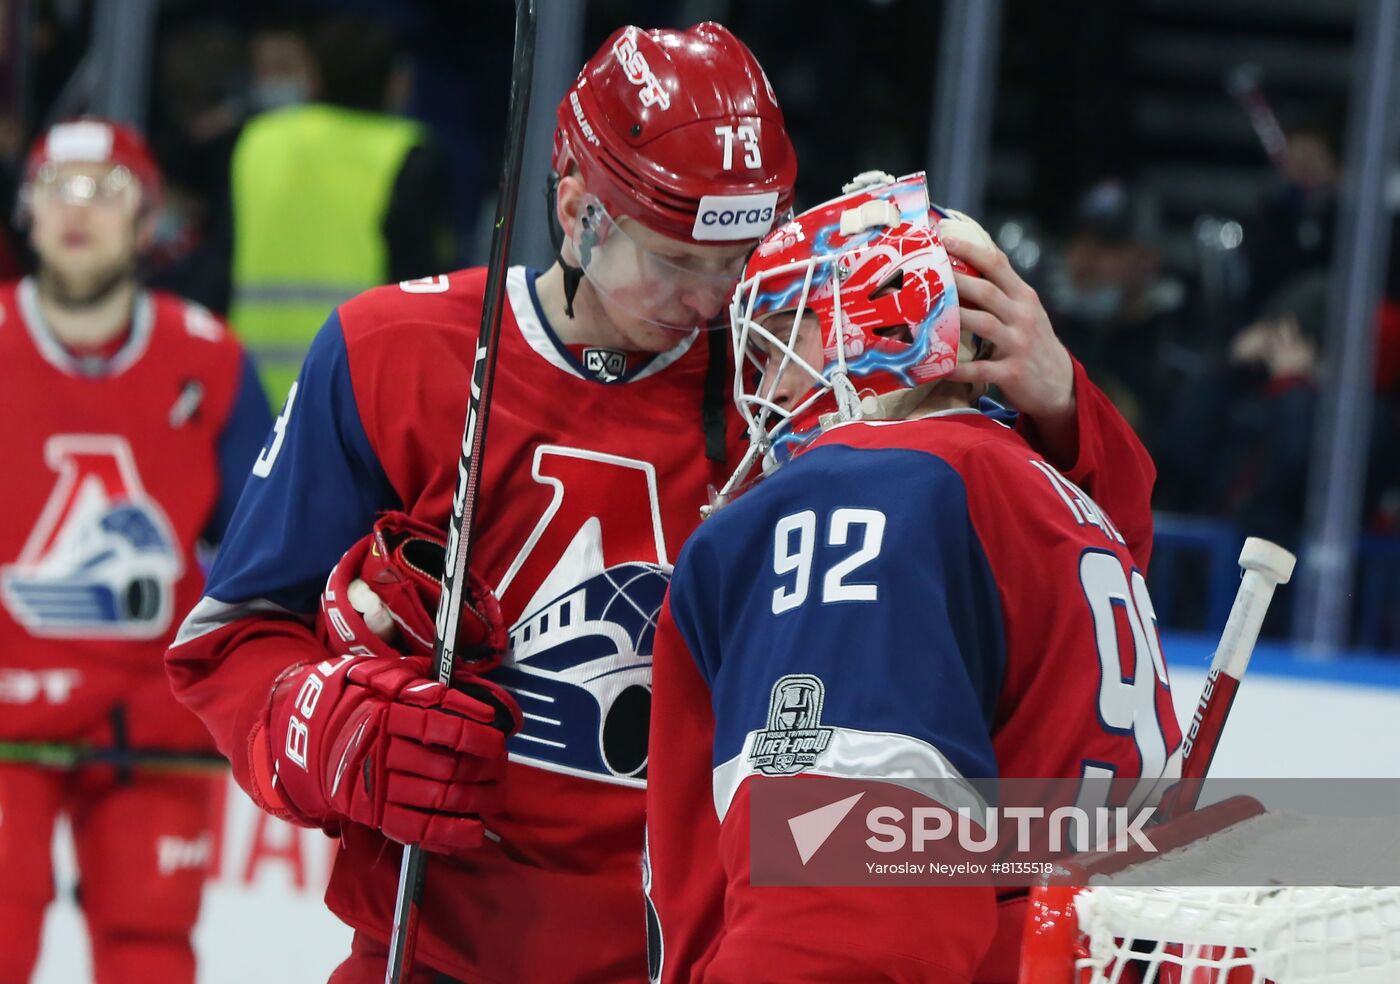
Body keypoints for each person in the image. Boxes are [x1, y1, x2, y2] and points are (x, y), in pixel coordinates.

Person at [166, 25, 1159, 984]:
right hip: (439, 954)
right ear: (573, 208)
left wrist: (1062, 399)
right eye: (676, 259)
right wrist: (325, 730)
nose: (714, 297)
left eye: (739, 259)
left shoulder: (800, 380)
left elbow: (1083, 571)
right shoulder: (394, 355)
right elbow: (236, 631)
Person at [643, 174, 1182, 984]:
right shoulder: (1053, 497)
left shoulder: (863, 492)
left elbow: (848, 909)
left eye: (785, 343)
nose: (767, 390)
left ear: (877, 327)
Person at [0, 118, 271, 984]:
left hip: (154, 727)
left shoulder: (211, 357)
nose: (79, 212)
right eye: (57, 190)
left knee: (149, 950)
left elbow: (261, 545)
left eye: (107, 192)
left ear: (148, 218)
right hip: (6, 725)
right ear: (26, 213)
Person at [228, 13, 455, 405]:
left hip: (249, 388)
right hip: (353, 391)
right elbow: (423, 288)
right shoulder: (409, 153)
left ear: (314, 77)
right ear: (395, 83)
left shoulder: (257, 140)